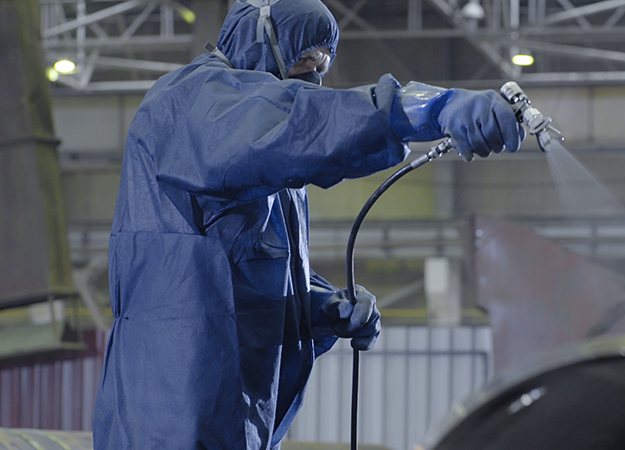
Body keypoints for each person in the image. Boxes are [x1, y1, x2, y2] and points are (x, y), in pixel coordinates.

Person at [92, 0, 523, 448]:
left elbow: (242, 264)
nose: (312, 79)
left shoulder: (258, 152)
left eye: (322, 66)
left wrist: (320, 306)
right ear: (258, 42)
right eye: (302, 61)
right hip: (167, 414)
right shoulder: (192, 102)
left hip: (228, 412)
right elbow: (300, 119)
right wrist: (426, 109)